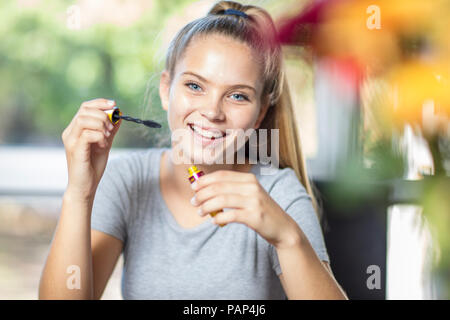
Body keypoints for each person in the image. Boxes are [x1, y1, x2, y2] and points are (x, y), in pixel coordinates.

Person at [39, 0, 347, 300]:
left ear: (261, 113)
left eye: (238, 96)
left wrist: (288, 238)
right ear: (165, 90)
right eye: (195, 86)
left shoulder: (279, 193)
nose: (212, 111)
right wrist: (79, 192)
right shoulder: (127, 180)